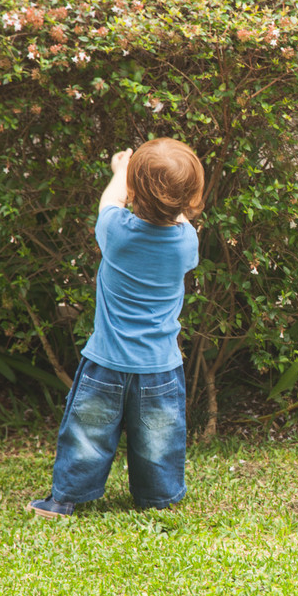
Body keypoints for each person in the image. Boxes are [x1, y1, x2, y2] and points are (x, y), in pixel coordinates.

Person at [27, 138, 203, 518]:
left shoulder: (116, 233)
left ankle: (63, 501)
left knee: (86, 436)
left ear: (134, 192)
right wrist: (174, 197)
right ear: (189, 200)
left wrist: (122, 170)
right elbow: (179, 215)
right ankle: (159, 500)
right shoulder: (186, 243)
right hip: (160, 369)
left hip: (105, 364)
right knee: (160, 440)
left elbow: (110, 201)